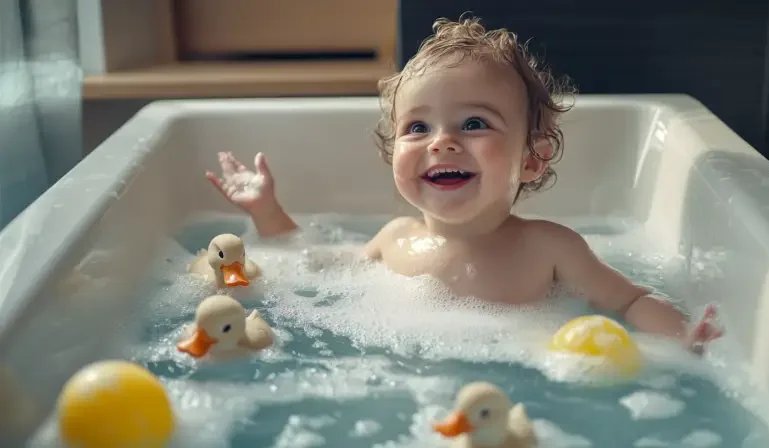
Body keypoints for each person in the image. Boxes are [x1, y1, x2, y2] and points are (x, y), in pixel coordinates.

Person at [205, 16, 722, 354]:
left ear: (532, 159)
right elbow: (311, 265)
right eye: (417, 127)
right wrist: (265, 211)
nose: (442, 142)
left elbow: (629, 301)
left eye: (474, 124)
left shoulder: (550, 247)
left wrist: (682, 339)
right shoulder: (395, 239)